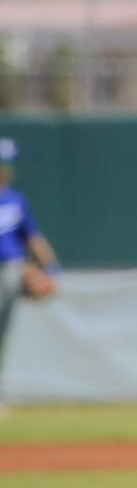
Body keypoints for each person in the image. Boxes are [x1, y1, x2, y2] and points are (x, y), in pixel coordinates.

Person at [0, 137, 63, 414]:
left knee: (3, 334)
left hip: (12, 270)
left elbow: (33, 237)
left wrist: (51, 268)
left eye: (6, 165)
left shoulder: (16, 200)